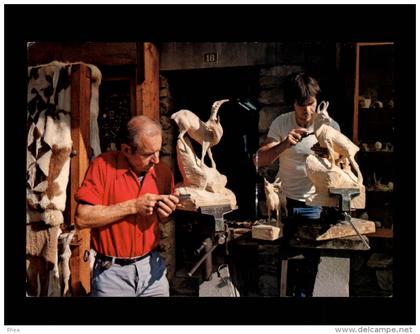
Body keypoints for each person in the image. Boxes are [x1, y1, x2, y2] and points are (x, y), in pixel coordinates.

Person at [254, 72, 340, 297]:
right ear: (292, 103)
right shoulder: (282, 123)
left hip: (316, 205)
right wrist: (284, 144)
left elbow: (343, 164)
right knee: (287, 264)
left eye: (311, 104)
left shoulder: (330, 125)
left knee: (309, 267)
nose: (308, 111)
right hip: (287, 204)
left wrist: (330, 154)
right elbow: (259, 159)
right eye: (302, 106)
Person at [74, 115, 179, 297]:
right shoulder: (102, 166)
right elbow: (82, 218)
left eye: (158, 151)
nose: (156, 160)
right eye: (148, 154)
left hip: (152, 269)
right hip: (112, 274)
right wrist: (133, 206)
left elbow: (163, 218)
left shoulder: (163, 172)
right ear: (126, 149)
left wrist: (166, 213)